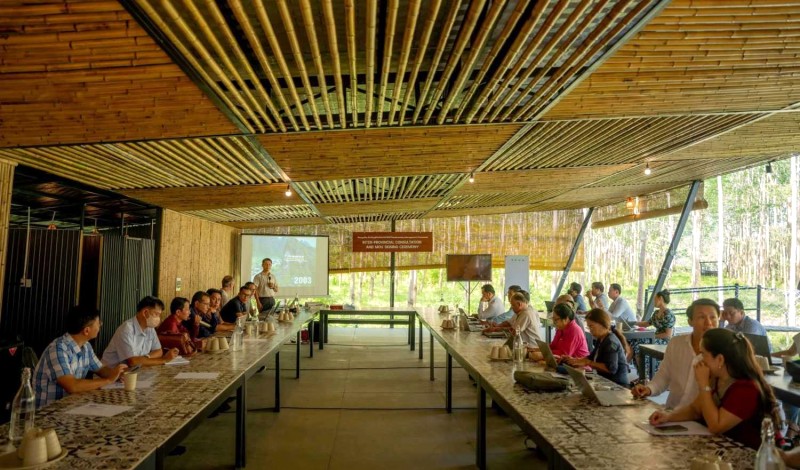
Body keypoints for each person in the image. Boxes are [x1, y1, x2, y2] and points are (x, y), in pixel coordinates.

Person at [648, 329, 782, 449]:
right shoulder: (718, 379)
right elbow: (696, 409)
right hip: (728, 447)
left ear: (720, 359)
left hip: (756, 455)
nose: (700, 358)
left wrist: (703, 385)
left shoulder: (745, 388)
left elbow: (716, 426)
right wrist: (669, 417)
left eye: (703, 354)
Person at [631, 299, 720, 408]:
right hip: (671, 410)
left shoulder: (724, 351)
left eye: (713, 317)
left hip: (702, 418)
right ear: (690, 321)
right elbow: (664, 375)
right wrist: (649, 389)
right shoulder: (677, 343)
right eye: (701, 317)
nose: (708, 323)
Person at [34, 306, 127, 408]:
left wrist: (117, 374)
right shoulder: (58, 349)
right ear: (86, 331)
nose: (101, 325)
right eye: (98, 323)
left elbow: (101, 368)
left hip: (70, 406)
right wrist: (108, 380)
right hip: (49, 413)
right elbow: (72, 386)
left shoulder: (86, 346)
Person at [102, 296, 179, 367]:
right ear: (145, 313)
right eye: (156, 314)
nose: (159, 318)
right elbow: (133, 362)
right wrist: (164, 360)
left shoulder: (150, 328)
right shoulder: (126, 329)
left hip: (135, 372)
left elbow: (158, 351)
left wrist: (145, 358)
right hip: (110, 376)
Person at [564, 308, 629, 386]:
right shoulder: (601, 338)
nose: (590, 330)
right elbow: (591, 358)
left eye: (591, 326)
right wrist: (575, 360)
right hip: (606, 382)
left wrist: (588, 362)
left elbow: (611, 369)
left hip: (617, 384)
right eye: (588, 327)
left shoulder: (611, 342)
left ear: (602, 324)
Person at [634, 290, 676, 381]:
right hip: (656, 338)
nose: (654, 302)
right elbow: (647, 323)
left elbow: (668, 335)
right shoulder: (656, 313)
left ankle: (645, 375)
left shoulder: (668, 314)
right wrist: (634, 323)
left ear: (660, 299)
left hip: (664, 341)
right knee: (635, 343)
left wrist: (652, 336)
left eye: (655, 299)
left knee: (639, 345)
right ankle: (643, 375)